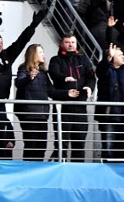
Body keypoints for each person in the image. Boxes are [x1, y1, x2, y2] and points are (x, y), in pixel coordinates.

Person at [0, 8, 45, 159]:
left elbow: (21, 42)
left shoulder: (7, 56)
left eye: (1, 42)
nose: (0, 45)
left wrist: (33, 26)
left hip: (0, 105)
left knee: (0, 139)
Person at [15, 44, 73, 161]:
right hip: (28, 115)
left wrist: (67, 93)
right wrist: (29, 77)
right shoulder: (24, 69)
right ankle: (29, 174)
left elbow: (51, 91)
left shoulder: (43, 73)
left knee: (42, 147)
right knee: (31, 146)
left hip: (42, 115)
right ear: (33, 54)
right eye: (40, 52)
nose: (43, 54)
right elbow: (19, 83)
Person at [47, 33, 97, 161]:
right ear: (61, 44)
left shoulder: (83, 59)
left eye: (73, 42)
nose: (70, 45)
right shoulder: (55, 60)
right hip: (63, 109)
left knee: (79, 144)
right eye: (67, 42)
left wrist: (89, 87)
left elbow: (91, 78)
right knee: (61, 144)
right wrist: (64, 78)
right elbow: (54, 73)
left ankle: (77, 174)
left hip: (80, 108)